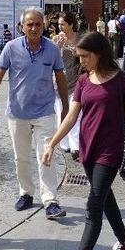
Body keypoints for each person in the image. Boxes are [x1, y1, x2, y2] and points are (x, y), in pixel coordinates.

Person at [42, 32, 125, 250]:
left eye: (84, 56)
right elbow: (71, 117)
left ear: (99, 53)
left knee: (93, 207)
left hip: (110, 151)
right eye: (79, 56)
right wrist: (52, 143)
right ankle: (123, 240)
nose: (80, 61)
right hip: (87, 148)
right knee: (104, 195)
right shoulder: (83, 81)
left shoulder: (123, 81)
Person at [0, 7, 68, 219]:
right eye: (29, 24)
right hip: (17, 113)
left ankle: (50, 200)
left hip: (45, 112)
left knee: (47, 156)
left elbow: (60, 77)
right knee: (21, 157)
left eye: (38, 24)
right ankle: (26, 193)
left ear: (44, 26)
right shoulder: (11, 48)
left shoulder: (51, 49)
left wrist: (66, 106)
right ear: (22, 27)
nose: (34, 28)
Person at [53, 12, 83, 161]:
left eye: (63, 24)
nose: (60, 27)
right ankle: (64, 144)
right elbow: (53, 58)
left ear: (71, 24)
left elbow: (85, 56)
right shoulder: (56, 39)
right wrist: (58, 46)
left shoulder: (79, 39)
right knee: (61, 115)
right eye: (59, 24)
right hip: (60, 82)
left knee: (75, 116)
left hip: (76, 81)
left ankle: (75, 147)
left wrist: (72, 48)